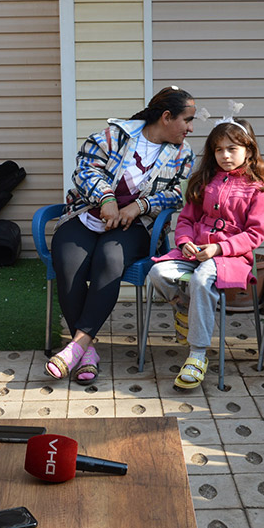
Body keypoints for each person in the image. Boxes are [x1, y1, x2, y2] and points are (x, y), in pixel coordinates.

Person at [47, 86, 196, 384]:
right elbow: (86, 170)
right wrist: (107, 199)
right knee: (67, 261)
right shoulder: (113, 136)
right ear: (166, 117)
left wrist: (140, 206)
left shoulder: (183, 153)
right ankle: (86, 352)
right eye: (187, 120)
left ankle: (76, 346)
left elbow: (177, 194)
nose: (190, 128)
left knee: (109, 257)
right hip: (86, 215)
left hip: (136, 227)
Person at [147, 117, 264, 389]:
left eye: (232, 149)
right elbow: (186, 220)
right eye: (219, 150)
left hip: (230, 258)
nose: (225, 155)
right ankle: (183, 307)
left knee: (201, 280)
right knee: (158, 272)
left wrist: (219, 248)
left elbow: (255, 235)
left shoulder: (258, 188)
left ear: (249, 151)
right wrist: (183, 242)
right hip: (194, 252)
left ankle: (197, 354)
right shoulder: (204, 181)